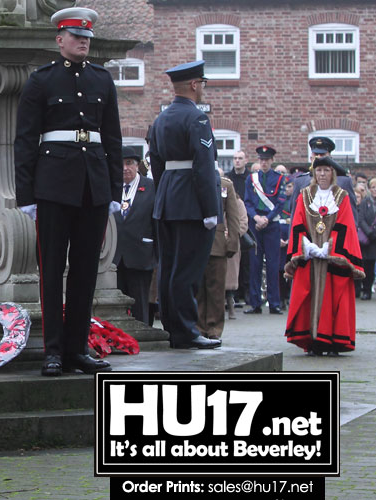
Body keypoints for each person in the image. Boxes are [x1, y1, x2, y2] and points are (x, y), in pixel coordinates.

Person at [14, 6, 122, 375]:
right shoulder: (41, 81)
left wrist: (113, 191)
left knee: (85, 272)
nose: (83, 43)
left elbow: (112, 138)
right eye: (77, 37)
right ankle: (54, 351)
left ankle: (78, 349)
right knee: (52, 271)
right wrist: (26, 195)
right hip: (54, 185)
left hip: (93, 186)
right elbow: (25, 140)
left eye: (87, 38)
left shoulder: (102, 80)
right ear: (59, 39)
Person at [147, 59, 221, 349]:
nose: (202, 88)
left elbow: (155, 163)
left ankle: (173, 327)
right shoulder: (197, 118)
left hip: (167, 197)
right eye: (201, 83)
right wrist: (211, 209)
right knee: (188, 269)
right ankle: (187, 329)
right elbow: (204, 165)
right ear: (194, 84)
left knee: (168, 267)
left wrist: (165, 192)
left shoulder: (161, 118)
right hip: (191, 200)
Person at [284, 156, 363, 355]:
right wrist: (307, 246)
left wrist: (329, 248)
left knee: (332, 297)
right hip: (310, 255)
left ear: (333, 173)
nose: (322, 175)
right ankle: (312, 341)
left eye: (326, 171)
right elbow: (297, 222)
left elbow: (346, 225)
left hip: (332, 257)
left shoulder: (342, 196)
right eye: (318, 171)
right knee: (308, 294)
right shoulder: (304, 195)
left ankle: (332, 342)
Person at [113, 147, 157, 325]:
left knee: (140, 302)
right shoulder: (112, 187)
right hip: (115, 256)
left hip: (141, 253)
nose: (125, 168)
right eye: (121, 164)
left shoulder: (151, 187)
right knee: (117, 304)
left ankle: (142, 333)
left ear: (137, 165)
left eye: (129, 163)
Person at [196, 166, 240, 339]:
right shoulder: (194, 182)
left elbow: (233, 216)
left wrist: (232, 243)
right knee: (198, 289)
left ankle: (214, 329)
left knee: (216, 291)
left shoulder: (225, 185)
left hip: (218, 243)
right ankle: (199, 327)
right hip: (198, 243)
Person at [243, 145, 287, 314]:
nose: (264, 163)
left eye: (267, 160)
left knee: (273, 264)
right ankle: (255, 303)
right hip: (255, 224)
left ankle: (274, 303)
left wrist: (267, 219)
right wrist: (255, 218)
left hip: (272, 224)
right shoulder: (251, 179)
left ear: (272, 161)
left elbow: (280, 203)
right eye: (261, 160)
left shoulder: (279, 179)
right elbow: (247, 202)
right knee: (254, 264)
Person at [290, 136, 357, 222]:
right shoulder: (301, 181)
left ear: (330, 158)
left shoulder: (343, 181)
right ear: (311, 158)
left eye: (322, 155)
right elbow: (294, 215)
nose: (319, 157)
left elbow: (351, 216)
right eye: (315, 154)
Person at [226, 150, 251, 305]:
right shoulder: (228, 178)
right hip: (227, 226)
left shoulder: (249, 178)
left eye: (240, 158)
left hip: (243, 219)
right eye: (235, 158)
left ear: (246, 160)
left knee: (246, 263)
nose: (237, 161)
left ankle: (244, 292)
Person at [224, 193, 248, 319]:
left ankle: (231, 305)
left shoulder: (238, 203)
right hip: (215, 241)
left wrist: (231, 233)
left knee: (230, 278)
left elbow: (243, 222)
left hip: (231, 243)